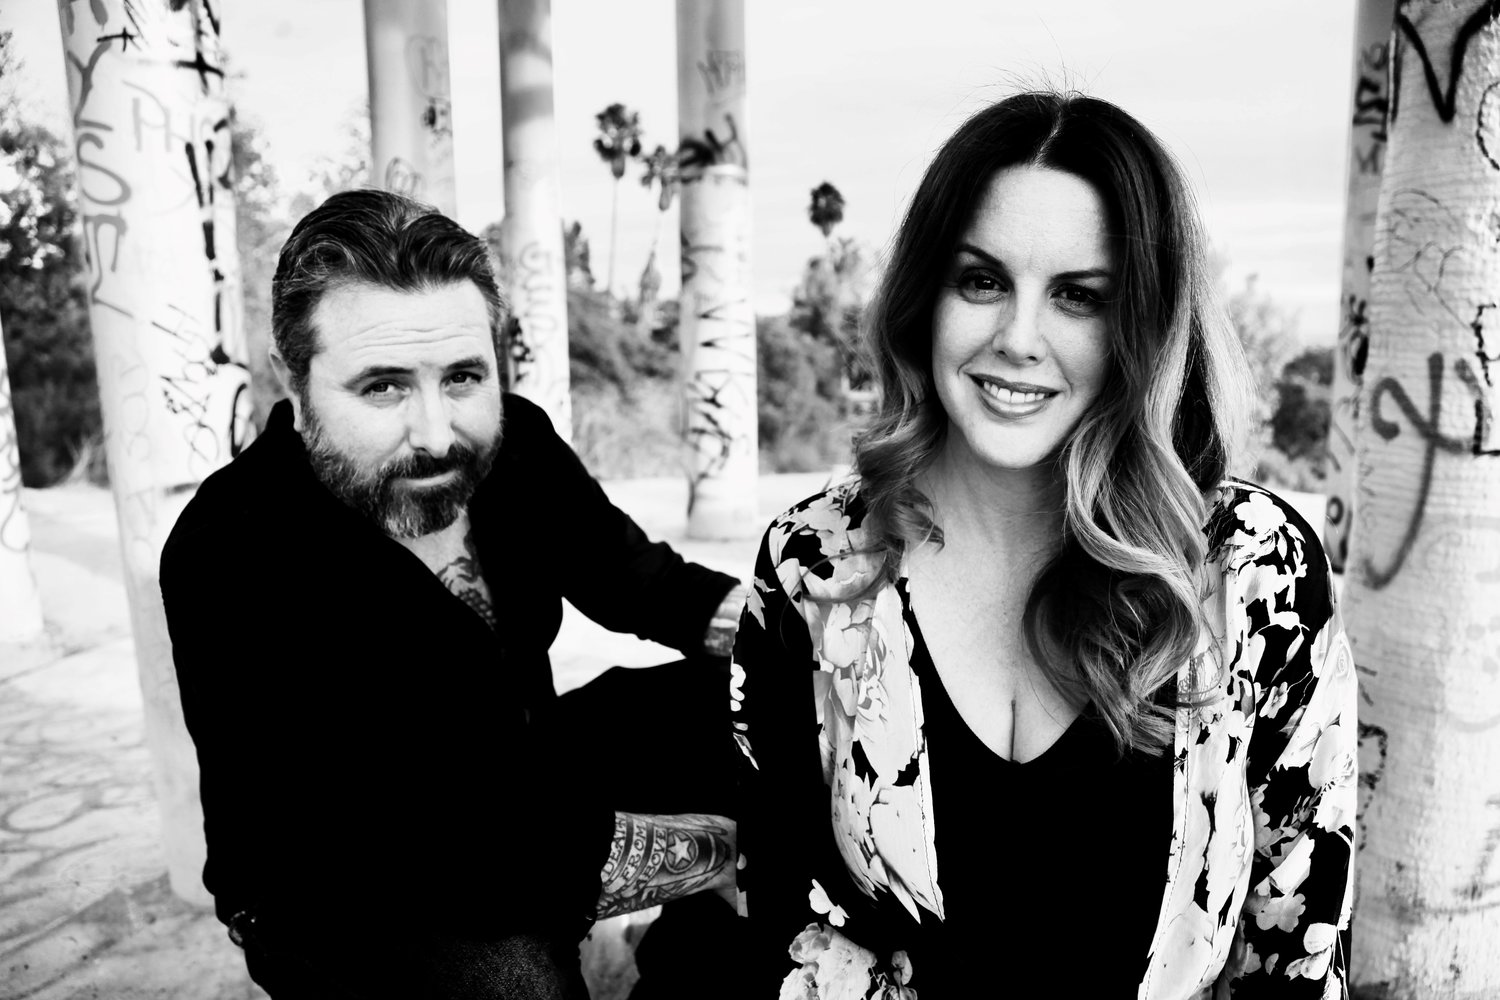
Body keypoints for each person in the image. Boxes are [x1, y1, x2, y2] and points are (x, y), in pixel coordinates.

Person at [731, 91, 1358, 997]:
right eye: (981, 281)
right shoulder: (815, 563)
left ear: (1143, 325)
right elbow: (788, 928)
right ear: (925, 293)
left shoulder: (1252, 570)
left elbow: (1298, 941)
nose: (1017, 339)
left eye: (1079, 296)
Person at [161, 189, 744, 999]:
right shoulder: (235, 552)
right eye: (383, 387)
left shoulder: (515, 442)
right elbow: (452, 846)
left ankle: (683, 960)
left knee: (768, 703)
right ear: (290, 379)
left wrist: (806, 627)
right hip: (347, 878)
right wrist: (725, 852)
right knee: (516, 982)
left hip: (523, 769)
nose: (437, 434)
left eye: (463, 377)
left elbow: (642, 582)